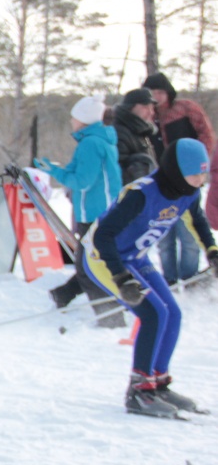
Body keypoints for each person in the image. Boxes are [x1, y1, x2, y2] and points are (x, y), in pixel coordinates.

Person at [82, 138, 218, 418]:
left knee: (173, 313)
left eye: (204, 173)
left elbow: (198, 222)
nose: (201, 180)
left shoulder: (188, 192)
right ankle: (139, 392)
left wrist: (213, 252)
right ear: (178, 170)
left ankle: (158, 383)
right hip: (104, 259)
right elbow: (102, 236)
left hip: (136, 257)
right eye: (196, 173)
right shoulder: (141, 194)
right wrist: (121, 279)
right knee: (153, 314)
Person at [37, 95, 124, 327]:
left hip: (96, 213)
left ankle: (110, 317)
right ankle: (64, 295)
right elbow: (77, 171)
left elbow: (82, 182)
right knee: (89, 264)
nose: (71, 122)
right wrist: (54, 168)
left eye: (74, 117)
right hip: (99, 212)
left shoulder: (91, 143)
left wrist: (56, 174)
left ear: (84, 119)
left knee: (89, 268)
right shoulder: (95, 140)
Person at [142, 73, 216, 282]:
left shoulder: (185, 108)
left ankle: (189, 276)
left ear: (168, 91)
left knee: (189, 229)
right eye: (153, 93)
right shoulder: (149, 116)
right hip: (162, 179)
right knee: (164, 233)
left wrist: (199, 165)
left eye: (160, 92)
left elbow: (206, 133)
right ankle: (170, 279)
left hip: (189, 176)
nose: (157, 97)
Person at [112, 89, 158, 184]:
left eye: (152, 108)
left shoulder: (140, 130)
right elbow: (116, 171)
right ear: (130, 107)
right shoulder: (119, 132)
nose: (151, 112)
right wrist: (139, 170)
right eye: (145, 107)